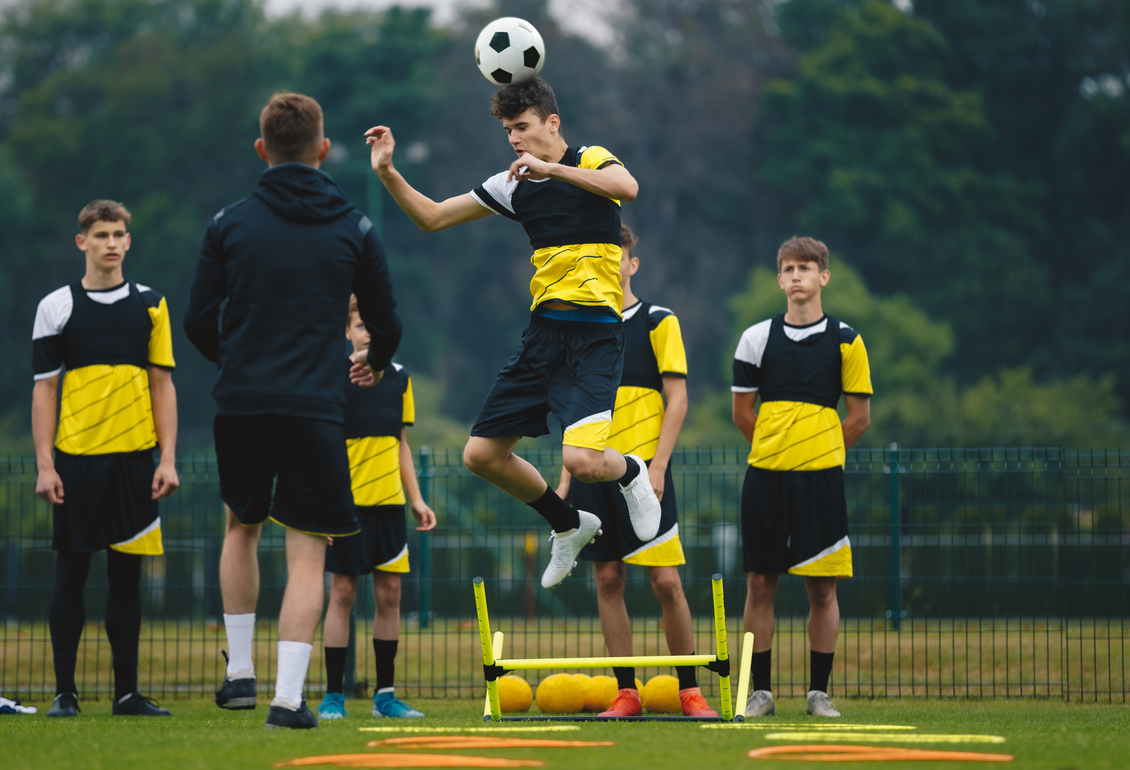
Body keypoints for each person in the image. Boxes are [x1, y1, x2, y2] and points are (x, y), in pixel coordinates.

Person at [364, 77, 661, 590]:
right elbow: (432, 218)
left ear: (553, 122)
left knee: (583, 463)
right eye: (507, 131)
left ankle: (631, 472)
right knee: (480, 456)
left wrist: (552, 169)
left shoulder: (590, 158)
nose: (514, 139)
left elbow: (628, 188)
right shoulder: (512, 184)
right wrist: (388, 171)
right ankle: (567, 524)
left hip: (595, 338)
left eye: (522, 127)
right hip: (545, 337)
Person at [185, 92, 402, 730]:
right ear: (323, 151)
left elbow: (199, 320)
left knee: (242, 526)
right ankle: (287, 699)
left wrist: (239, 365)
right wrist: (377, 361)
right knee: (308, 549)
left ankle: (239, 674)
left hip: (243, 403)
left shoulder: (228, 224)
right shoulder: (354, 226)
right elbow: (386, 322)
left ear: (262, 150)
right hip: (316, 407)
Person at [555, 225, 714, 718]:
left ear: (632, 263)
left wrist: (659, 465)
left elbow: (679, 399)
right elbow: (571, 408)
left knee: (666, 581)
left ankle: (690, 691)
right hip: (590, 471)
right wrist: (563, 482)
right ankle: (628, 693)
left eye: (616, 255)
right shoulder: (579, 327)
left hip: (645, 473)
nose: (609, 263)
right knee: (608, 579)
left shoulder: (658, 320)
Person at [32, 199, 180, 719]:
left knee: (126, 580)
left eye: (119, 234)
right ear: (82, 243)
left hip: (137, 463)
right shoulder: (55, 307)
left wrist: (168, 459)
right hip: (76, 461)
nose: (112, 243)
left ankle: (126, 695)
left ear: (129, 241)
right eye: (101, 235)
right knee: (70, 575)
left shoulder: (152, 305)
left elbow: (163, 385)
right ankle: (64, 694)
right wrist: (45, 465)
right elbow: (44, 394)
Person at [731, 237, 872, 718]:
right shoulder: (755, 338)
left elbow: (858, 418)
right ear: (779, 279)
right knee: (759, 585)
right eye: (788, 268)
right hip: (765, 478)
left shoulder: (847, 340)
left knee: (823, 588)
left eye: (805, 268)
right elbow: (742, 413)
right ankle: (760, 693)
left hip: (822, 481)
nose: (796, 276)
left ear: (823, 277)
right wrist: (778, 449)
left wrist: (822, 452)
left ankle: (818, 693)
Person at [317, 297, 437, 721]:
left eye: (375, 325)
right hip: (346, 507)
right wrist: (324, 507)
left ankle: (385, 696)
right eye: (360, 325)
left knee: (390, 595)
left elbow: (400, 443)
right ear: (347, 332)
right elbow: (323, 446)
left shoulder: (400, 379)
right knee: (343, 594)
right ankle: (333, 695)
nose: (368, 332)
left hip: (390, 506)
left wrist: (417, 500)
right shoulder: (332, 377)